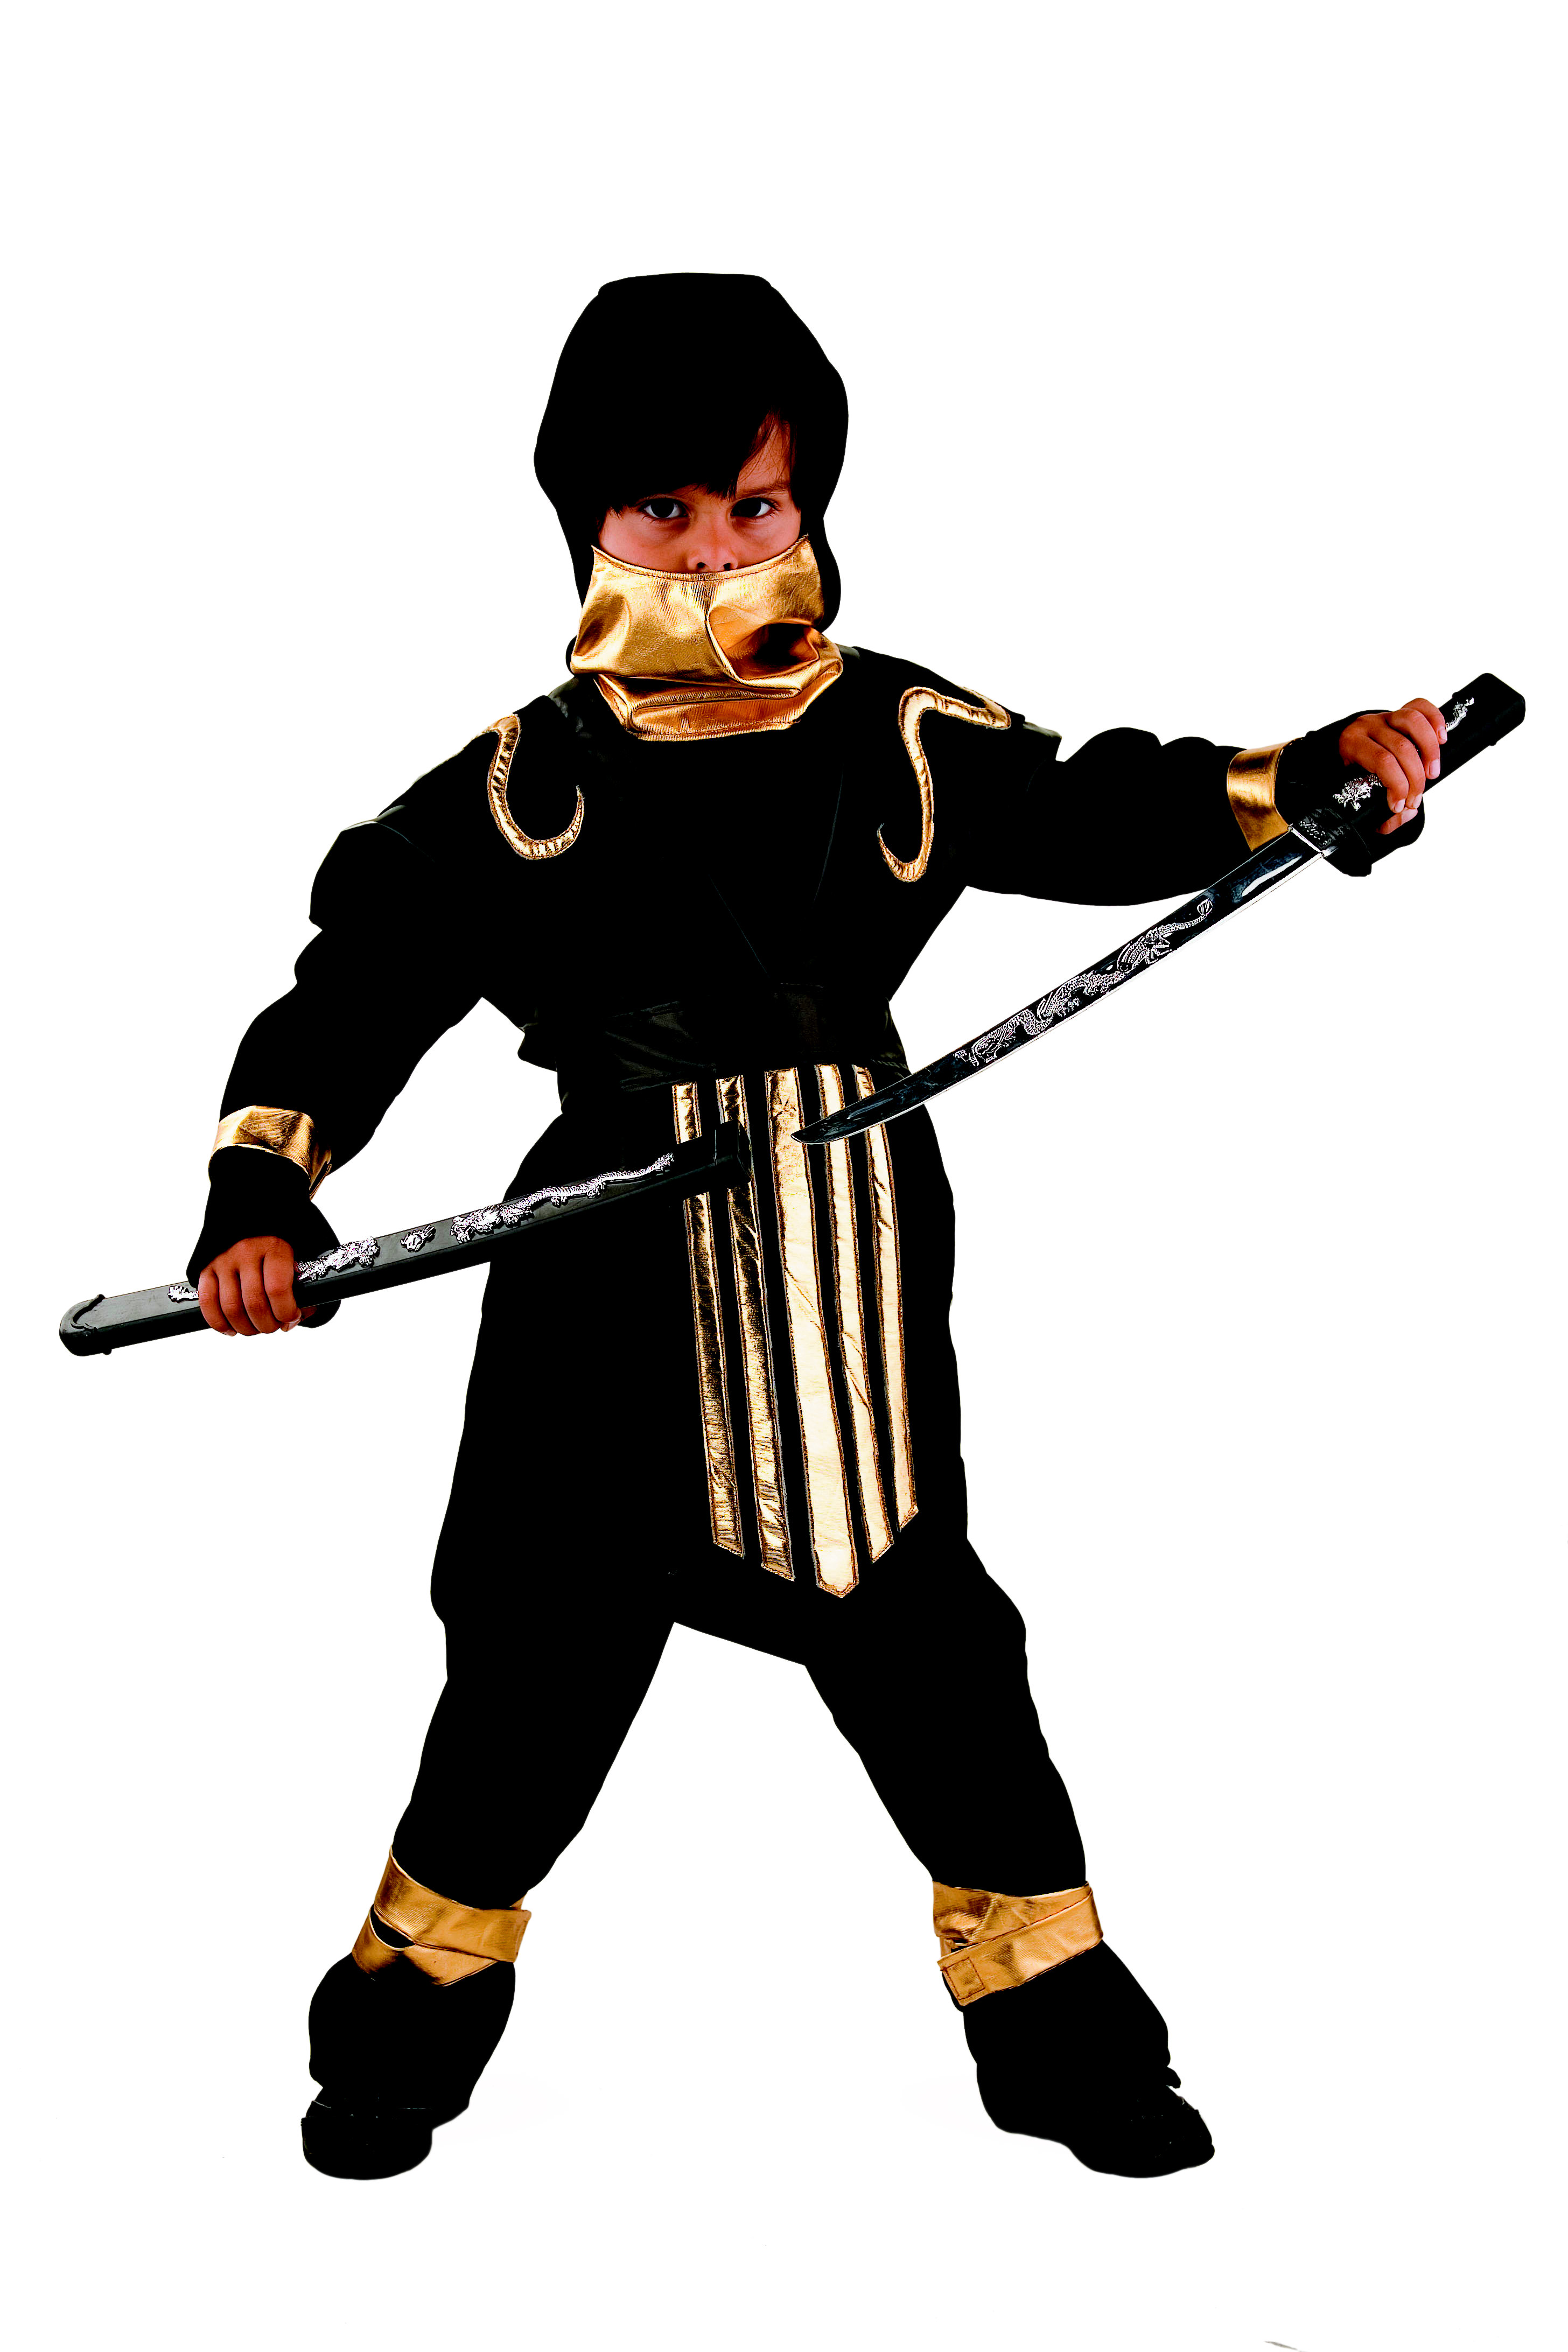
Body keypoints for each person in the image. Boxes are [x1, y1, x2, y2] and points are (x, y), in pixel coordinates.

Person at [188, 273, 1445, 2182]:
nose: (712, 548)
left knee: (937, 1659)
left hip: (839, 1251)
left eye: (753, 504)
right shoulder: (518, 786)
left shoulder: (898, 735)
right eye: (664, 508)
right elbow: (354, 993)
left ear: (812, 505)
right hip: (598, 1283)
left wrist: (1308, 778)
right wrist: (263, 1193)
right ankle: (394, 2040)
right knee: (532, 1678)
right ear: (587, 513)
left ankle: (1064, 2043)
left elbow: (1103, 807)